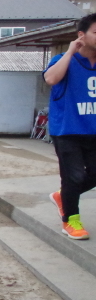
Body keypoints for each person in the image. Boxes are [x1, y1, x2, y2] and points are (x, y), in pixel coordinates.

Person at [43, 13, 96, 240]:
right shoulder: (63, 60)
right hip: (68, 130)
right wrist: (70, 51)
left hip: (93, 130)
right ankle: (71, 221)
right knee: (73, 176)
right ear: (81, 35)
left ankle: (62, 196)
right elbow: (51, 79)